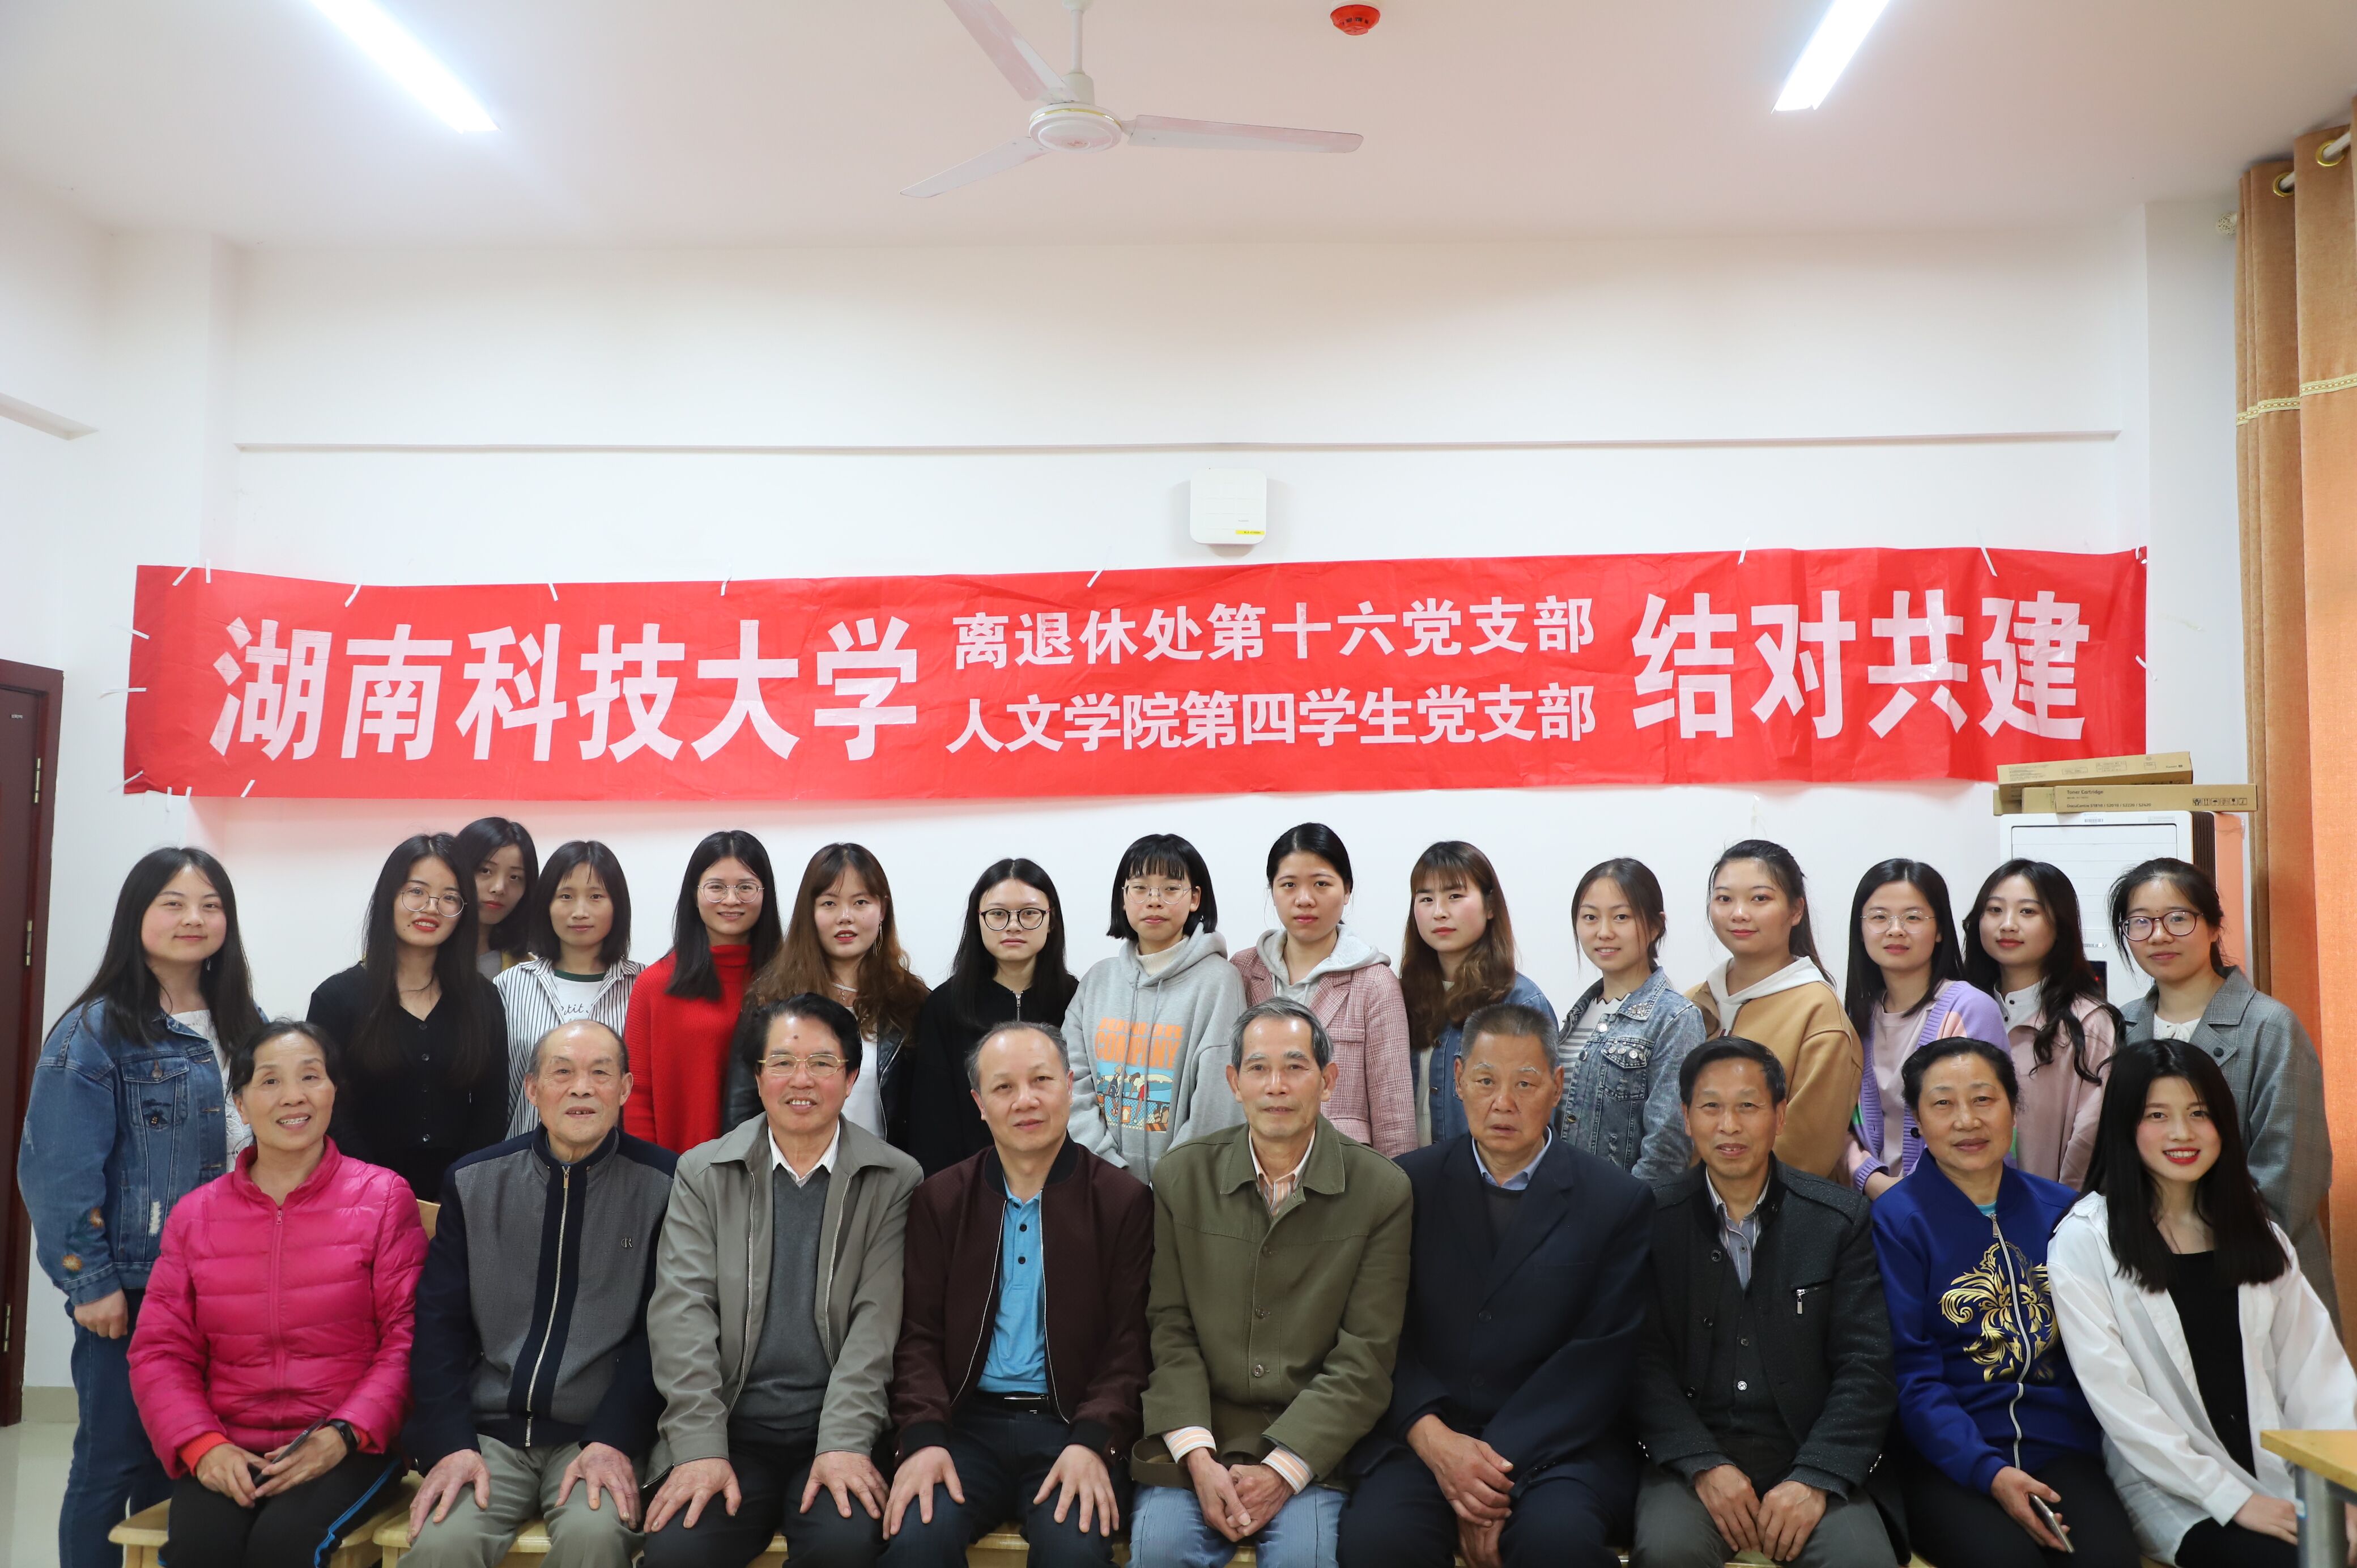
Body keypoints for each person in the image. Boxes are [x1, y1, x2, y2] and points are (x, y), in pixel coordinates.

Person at [1339, 1003, 1652, 1568]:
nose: (1503, 1102)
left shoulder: (1615, 1202)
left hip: (1559, 1447)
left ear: (1557, 1086)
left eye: (1525, 1083)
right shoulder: (1406, 1185)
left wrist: (1487, 1473)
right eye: (1485, 1081)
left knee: (1556, 1545)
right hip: (1428, 1434)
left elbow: (1600, 1357)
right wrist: (1434, 1440)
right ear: (1459, 1079)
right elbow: (1379, 1331)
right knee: (1378, 1541)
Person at [20, 848, 265, 1568]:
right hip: (133, 1286)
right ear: (137, 915)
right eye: (173, 902)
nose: (195, 918)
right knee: (112, 1461)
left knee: (182, 1459)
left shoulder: (246, 1024)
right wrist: (89, 1281)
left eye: (211, 904)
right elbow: (58, 1169)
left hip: (224, 1284)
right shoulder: (95, 1031)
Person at [126, 1021, 428, 1568]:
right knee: (201, 1550)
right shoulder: (195, 1216)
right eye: (270, 1081)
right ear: (241, 1106)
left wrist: (343, 1433)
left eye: (310, 1077)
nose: (293, 1096)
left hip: (350, 1444)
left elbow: (409, 1338)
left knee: (283, 1545)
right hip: (229, 1442)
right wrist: (203, 1446)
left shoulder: (384, 1198)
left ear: (333, 1092)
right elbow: (160, 1352)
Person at [1126, 998, 1413, 1568]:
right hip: (1199, 1433)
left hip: (1313, 1447)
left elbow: (1365, 1355)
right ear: (1234, 1082)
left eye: (1295, 1067)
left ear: (1328, 1080)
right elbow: (1170, 1329)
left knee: (1306, 1559)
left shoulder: (1381, 1190)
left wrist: (1281, 1471)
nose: (1276, 1085)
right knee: (1159, 1549)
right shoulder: (1182, 1177)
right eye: (1258, 1068)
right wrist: (1198, 1458)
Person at [640, 993, 922, 1568]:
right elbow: (682, 1315)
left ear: (850, 1078)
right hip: (730, 1429)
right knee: (678, 1550)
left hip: (837, 1429)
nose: (802, 1079)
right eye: (783, 1062)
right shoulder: (703, 1172)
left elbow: (877, 1324)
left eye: (822, 1062)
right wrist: (699, 1447)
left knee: (845, 1545)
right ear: (757, 1075)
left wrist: (845, 1443)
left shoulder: (894, 1177)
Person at [2050, 1039, 2357, 1568]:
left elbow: (2316, 1375)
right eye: (2157, 1115)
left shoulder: (2257, 1232)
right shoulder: (2086, 1240)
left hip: (2279, 1470)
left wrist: (2341, 1490)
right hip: (2172, 1489)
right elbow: (2120, 1401)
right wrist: (2233, 1499)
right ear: (2124, 1125)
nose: (2182, 1133)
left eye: (2199, 1113)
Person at [404, 1020, 678, 1568]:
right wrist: (451, 1442)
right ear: (531, 1089)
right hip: (486, 1436)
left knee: (594, 1537)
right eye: (563, 1072)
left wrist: (614, 1438)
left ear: (625, 1088)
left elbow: (664, 1334)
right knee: (442, 1544)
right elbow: (438, 1326)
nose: (582, 1088)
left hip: (597, 1438)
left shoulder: (667, 1184)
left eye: (600, 1073)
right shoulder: (474, 1182)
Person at [880, 1021, 1154, 1568]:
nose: (1025, 1100)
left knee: (1074, 1550)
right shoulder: (942, 1199)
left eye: (1041, 1081)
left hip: (1070, 1426)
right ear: (979, 1104)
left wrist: (1093, 1440)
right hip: (963, 1426)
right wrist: (924, 1436)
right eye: (1004, 1087)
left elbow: (1131, 1345)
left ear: (1070, 1087)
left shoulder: (1122, 1201)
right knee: (916, 1542)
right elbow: (917, 1337)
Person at [1629, 1039, 1898, 1568]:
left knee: (1862, 1561)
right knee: (1667, 1552)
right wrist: (1701, 1462)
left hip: (1809, 1455)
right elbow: (1641, 1364)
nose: (1729, 1126)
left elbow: (1867, 1366)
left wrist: (1816, 1475)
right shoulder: (1651, 1219)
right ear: (1686, 1117)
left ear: (1779, 1116)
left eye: (1748, 1106)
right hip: (1691, 1463)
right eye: (1711, 1107)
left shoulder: (1837, 1220)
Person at [1872, 1038, 2139, 1568]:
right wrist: (1989, 1472)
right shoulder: (1897, 1222)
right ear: (1917, 1121)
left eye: (1983, 1099)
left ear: (2014, 1109)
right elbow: (1911, 1374)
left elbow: (2103, 1348)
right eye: (1943, 1104)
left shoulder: (2065, 1212)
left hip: (2063, 1450)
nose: (1967, 1121)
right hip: (1945, 1458)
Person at [2110, 857, 2336, 1319]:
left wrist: (2201, 1248)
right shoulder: (2121, 1025)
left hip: (2255, 1265)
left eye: (2178, 919)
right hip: (2149, 1270)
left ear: (2214, 927)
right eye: (2141, 922)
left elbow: (2289, 1174)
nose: (2159, 935)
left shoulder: (2269, 1026)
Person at [309, 833, 507, 1199]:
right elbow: (329, 1109)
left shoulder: (483, 999)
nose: (432, 908)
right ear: (390, 897)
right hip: (360, 1195)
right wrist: (379, 1188)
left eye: (449, 897)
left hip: (459, 1197)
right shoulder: (335, 998)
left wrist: (458, 1189)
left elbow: (491, 1109)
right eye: (417, 891)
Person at [1062, 833, 1246, 1182]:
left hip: (1185, 1188)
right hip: (1099, 1183)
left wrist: (1170, 1182)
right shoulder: (1097, 981)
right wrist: (1108, 1173)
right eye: (1140, 888)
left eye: (1171, 889)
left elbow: (1216, 1101)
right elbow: (1071, 1082)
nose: (1154, 901)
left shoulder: (1219, 982)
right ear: (1123, 898)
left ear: (1195, 898)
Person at [1231, 824, 1415, 1157]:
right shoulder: (1242, 971)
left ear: (1347, 891)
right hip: (1254, 1164)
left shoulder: (1375, 983)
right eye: (1289, 885)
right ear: (1272, 890)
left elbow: (1395, 1115)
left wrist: (1395, 1185)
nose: (1304, 899)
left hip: (1344, 1169)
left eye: (1321, 884)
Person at [730, 843, 930, 1140]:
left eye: (860, 902)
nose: (845, 917)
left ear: (883, 910)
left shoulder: (912, 1002)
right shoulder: (769, 1000)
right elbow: (740, 1116)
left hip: (885, 1168)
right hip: (788, 1166)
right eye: (829, 903)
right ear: (809, 912)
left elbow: (927, 1117)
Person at [1687, 841, 1860, 1181]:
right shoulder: (1691, 1001)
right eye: (1724, 899)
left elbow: (1806, 1151)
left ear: (1796, 911)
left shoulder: (1818, 1012)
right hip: (1681, 1204)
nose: (1739, 913)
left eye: (1760, 899)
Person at [894, 859, 1080, 1177]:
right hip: (970, 1185)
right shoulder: (945, 1005)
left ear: (1051, 921)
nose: (1013, 926)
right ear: (977, 921)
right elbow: (932, 1121)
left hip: (1064, 1179)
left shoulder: (1078, 999)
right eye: (998, 914)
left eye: (1029, 913)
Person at [1840, 859, 2004, 1198]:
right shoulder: (1855, 1017)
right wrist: (1873, 1181)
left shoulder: (1970, 1009)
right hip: (1873, 1205)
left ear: (1940, 929)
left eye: (1913, 918)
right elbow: (1840, 1124)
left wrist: (1903, 1194)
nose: (1895, 930)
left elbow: (1985, 1122)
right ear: (1861, 929)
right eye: (1879, 917)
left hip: (1958, 1203)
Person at [623, 830, 782, 1154]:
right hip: (678, 1169)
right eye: (716, 887)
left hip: (771, 1169)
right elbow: (637, 1097)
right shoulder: (656, 984)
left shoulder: (787, 982)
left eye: (746, 887)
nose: (731, 900)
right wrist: (652, 1171)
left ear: (765, 894)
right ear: (694, 894)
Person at [1960, 860, 2116, 1188]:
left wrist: (2061, 1210)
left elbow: (2089, 1137)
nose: (2007, 925)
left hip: (2051, 1210)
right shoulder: (1960, 1011)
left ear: (2060, 925)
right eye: (1995, 910)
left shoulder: (2089, 1022)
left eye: (2028, 912)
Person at [1554, 858, 1707, 1179]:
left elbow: (1666, 1150)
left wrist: (1624, 1208)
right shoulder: (1577, 1016)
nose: (1604, 932)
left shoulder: (1676, 1018)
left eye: (1621, 917)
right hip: (1558, 1198)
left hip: (1621, 1206)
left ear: (1655, 926)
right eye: (1590, 917)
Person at [1400, 842, 1551, 1149]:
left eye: (1455, 896)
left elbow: (1540, 1114)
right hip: (1403, 1171)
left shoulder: (1519, 1002)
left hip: (1486, 1172)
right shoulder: (1397, 996)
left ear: (1490, 906)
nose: (1439, 912)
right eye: (1426, 899)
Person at [497, 841, 645, 1136]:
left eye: (596, 896)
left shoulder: (643, 984)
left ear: (617, 906)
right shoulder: (511, 984)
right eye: (566, 896)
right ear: (546, 905)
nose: (580, 912)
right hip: (527, 1153)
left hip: (618, 1156)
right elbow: (503, 1093)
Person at [457, 817, 539, 979]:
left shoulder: (530, 972)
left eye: (515, 877)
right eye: (485, 871)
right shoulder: (419, 957)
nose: (499, 888)